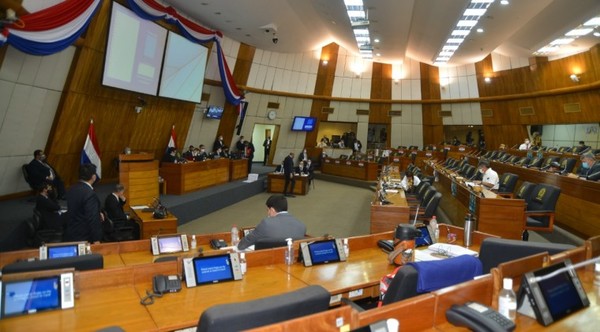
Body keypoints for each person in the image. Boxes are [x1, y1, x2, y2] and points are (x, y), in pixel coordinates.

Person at [236, 195, 306, 251]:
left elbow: (242, 245)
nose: (267, 213)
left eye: (267, 210)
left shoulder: (266, 223)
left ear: (272, 210)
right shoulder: (301, 225)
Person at [64, 163, 104, 243]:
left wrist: (97, 213)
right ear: (94, 177)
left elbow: (77, 208)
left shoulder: (72, 189)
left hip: (72, 233)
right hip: (85, 236)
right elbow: (92, 219)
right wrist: (96, 239)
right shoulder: (89, 194)